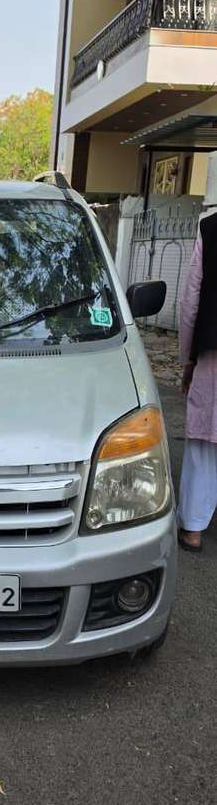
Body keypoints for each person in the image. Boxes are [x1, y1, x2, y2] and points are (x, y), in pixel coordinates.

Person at [178, 206, 217, 552]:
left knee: (205, 441)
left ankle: (193, 527)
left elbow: (190, 302)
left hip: (213, 354)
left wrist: (186, 360)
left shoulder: (210, 229)